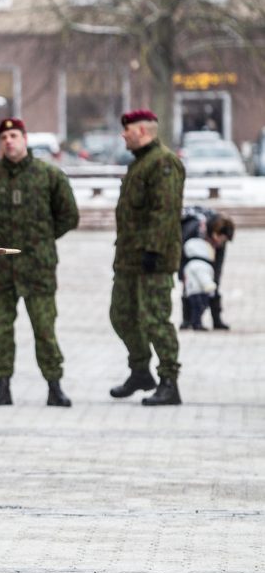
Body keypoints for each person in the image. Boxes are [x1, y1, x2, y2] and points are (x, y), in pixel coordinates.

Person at [0, 118, 78, 406]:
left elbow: (68, 216)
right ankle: (2, 385)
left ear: (25, 138)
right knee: (1, 329)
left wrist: (42, 239)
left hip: (38, 268)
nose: (9, 141)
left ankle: (54, 385)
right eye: (3, 137)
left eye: (14, 135)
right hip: (0, 270)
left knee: (45, 328)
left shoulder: (49, 175)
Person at [109, 109, 184, 406]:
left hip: (153, 260)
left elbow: (165, 212)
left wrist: (153, 251)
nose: (123, 135)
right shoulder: (139, 164)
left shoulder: (164, 163)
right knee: (121, 315)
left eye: (127, 130)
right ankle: (140, 371)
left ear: (141, 131)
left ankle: (169, 381)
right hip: (129, 259)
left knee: (155, 320)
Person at [179, 206, 234, 330]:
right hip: (189, 262)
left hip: (207, 264)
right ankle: (187, 320)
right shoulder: (193, 229)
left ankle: (217, 320)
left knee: (213, 287)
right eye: (220, 238)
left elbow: (218, 262)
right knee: (189, 289)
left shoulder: (221, 239)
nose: (220, 242)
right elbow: (181, 254)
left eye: (224, 240)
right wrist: (182, 274)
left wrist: (215, 279)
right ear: (214, 232)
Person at [181, 234, 217, 330]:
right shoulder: (201, 265)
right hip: (199, 291)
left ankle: (194, 322)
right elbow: (204, 277)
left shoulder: (190, 264)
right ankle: (196, 323)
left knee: (196, 308)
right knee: (198, 308)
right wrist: (210, 286)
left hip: (192, 290)